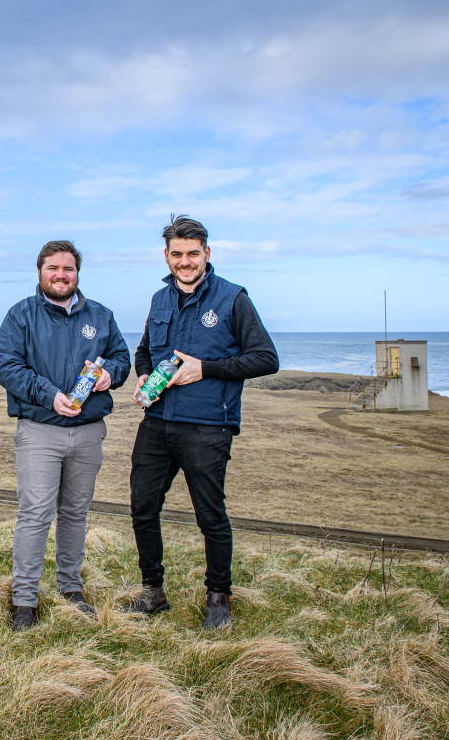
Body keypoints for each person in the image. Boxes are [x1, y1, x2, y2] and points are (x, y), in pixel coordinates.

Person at [124, 215, 278, 629]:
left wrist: (205, 369)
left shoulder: (232, 299)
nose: (185, 261)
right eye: (178, 254)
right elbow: (144, 352)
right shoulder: (159, 300)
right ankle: (153, 592)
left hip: (208, 426)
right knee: (142, 510)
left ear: (207, 254)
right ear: (167, 256)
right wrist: (143, 375)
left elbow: (266, 358)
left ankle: (218, 598)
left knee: (210, 515)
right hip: (156, 422)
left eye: (193, 254)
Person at [0, 240, 130, 630]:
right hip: (40, 431)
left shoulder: (101, 316)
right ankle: (24, 598)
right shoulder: (21, 315)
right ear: (40, 271)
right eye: (53, 267)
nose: (60, 275)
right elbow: (7, 366)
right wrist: (49, 395)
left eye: (67, 268)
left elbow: (121, 358)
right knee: (35, 514)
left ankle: (70, 588)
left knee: (75, 512)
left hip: (88, 432)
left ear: (77, 273)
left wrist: (109, 376)